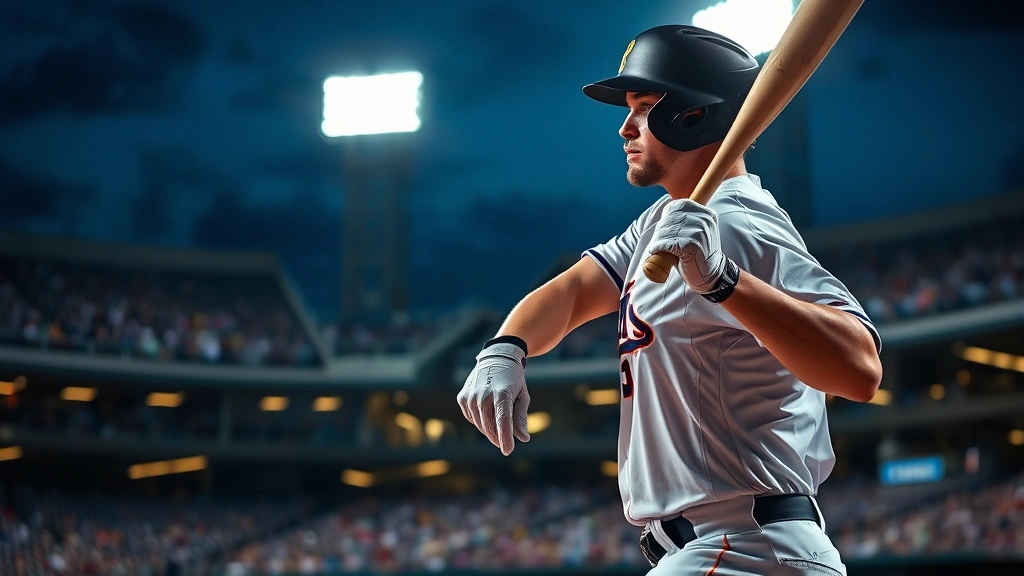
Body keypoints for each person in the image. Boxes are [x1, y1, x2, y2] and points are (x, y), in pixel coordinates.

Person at [456, 24, 882, 576]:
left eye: (642, 107)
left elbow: (861, 368)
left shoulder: (736, 222)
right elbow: (573, 290)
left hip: (744, 546)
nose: (624, 128)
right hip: (723, 550)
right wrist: (505, 348)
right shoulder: (666, 221)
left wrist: (723, 280)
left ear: (692, 114)